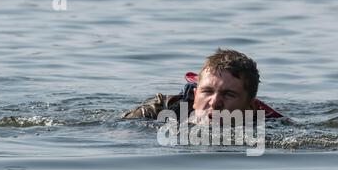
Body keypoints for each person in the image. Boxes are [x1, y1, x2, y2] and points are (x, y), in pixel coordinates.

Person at [122, 48, 284, 121]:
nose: (214, 102)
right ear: (194, 95)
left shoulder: (266, 126)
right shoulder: (156, 112)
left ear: (250, 107)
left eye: (229, 94)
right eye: (207, 91)